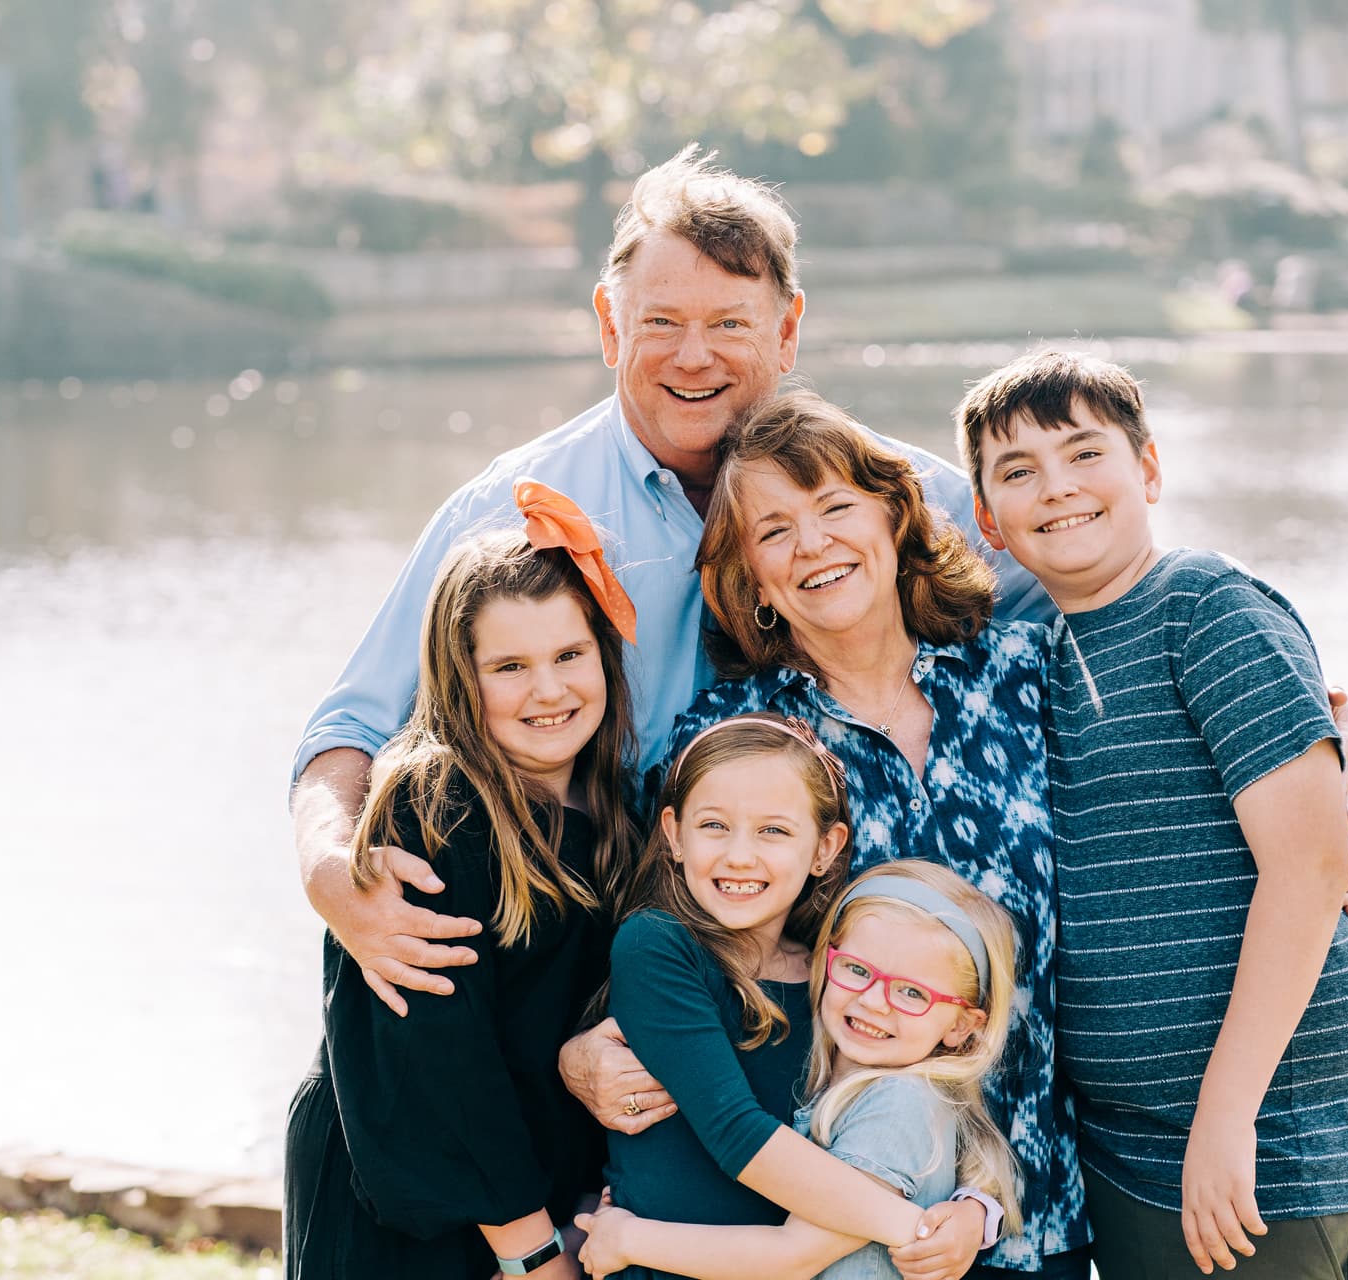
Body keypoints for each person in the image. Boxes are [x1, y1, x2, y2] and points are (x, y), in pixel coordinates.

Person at [288, 144, 1047, 1031]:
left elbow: (1083, 610)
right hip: (554, 958)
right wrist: (330, 874)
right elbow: (352, 726)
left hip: (836, 994)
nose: (695, 358)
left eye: (731, 323)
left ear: (788, 330)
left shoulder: (901, 503)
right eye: (661, 323)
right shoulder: (504, 509)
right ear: (610, 324)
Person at [957, 349, 1348, 1279]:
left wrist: (1225, 1116)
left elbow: (1312, 866)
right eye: (1018, 472)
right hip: (1133, 1151)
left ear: (1148, 470)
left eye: (1084, 454)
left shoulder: (1203, 606)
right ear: (989, 522)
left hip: (1260, 1140)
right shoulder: (1043, 650)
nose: (1058, 488)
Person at [633, 390, 1086, 1278]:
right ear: (750, 578)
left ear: (895, 516)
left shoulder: (1022, 672)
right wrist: (592, 1043)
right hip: (851, 1221)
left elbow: (1170, 772)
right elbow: (675, 945)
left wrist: (1320, 774)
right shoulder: (732, 739)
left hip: (1035, 1197)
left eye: (837, 507)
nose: (814, 545)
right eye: (774, 531)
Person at [283, 491, 639, 1280]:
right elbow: (441, 1057)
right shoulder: (433, 808)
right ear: (458, 677)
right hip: (422, 1207)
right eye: (510, 667)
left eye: (568, 656)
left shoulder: (616, 807)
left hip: (529, 1190)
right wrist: (533, 1255)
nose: (548, 691)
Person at [581, 714, 976, 1279]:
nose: (741, 856)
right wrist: (912, 1227)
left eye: (773, 831)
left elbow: (932, 1092)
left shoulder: (836, 971)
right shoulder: (658, 945)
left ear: (825, 848)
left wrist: (969, 1211)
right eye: (715, 825)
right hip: (660, 1265)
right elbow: (736, 1134)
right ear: (673, 834)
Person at [577, 859, 1023, 1280]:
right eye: (855, 969)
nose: (872, 1000)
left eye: (911, 993)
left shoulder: (898, 1104)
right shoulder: (844, 1080)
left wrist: (628, 1239)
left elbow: (793, 1255)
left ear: (963, 1025)